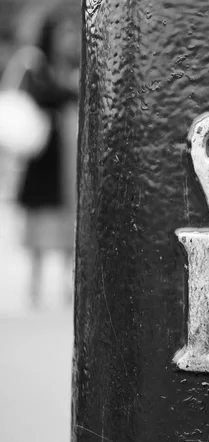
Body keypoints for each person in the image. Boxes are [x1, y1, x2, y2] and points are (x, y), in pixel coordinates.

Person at [16, 6, 79, 306]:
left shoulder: (73, 64)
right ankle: (35, 284)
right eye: (61, 32)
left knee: (70, 212)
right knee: (41, 217)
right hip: (45, 153)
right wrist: (66, 89)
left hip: (68, 148)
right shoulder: (35, 63)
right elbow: (41, 94)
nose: (66, 38)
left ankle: (68, 282)